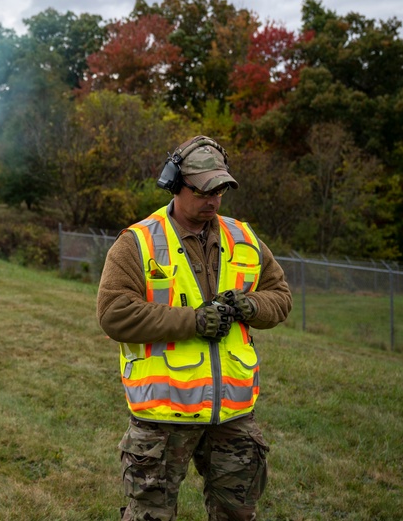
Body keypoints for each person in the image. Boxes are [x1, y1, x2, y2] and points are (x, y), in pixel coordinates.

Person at [96, 135, 292, 521]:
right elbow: (113, 313)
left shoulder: (244, 239)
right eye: (202, 189)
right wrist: (193, 321)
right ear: (174, 184)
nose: (213, 199)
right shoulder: (137, 242)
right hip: (162, 419)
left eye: (220, 189)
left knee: (237, 514)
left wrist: (251, 305)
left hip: (233, 416)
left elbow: (280, 296)